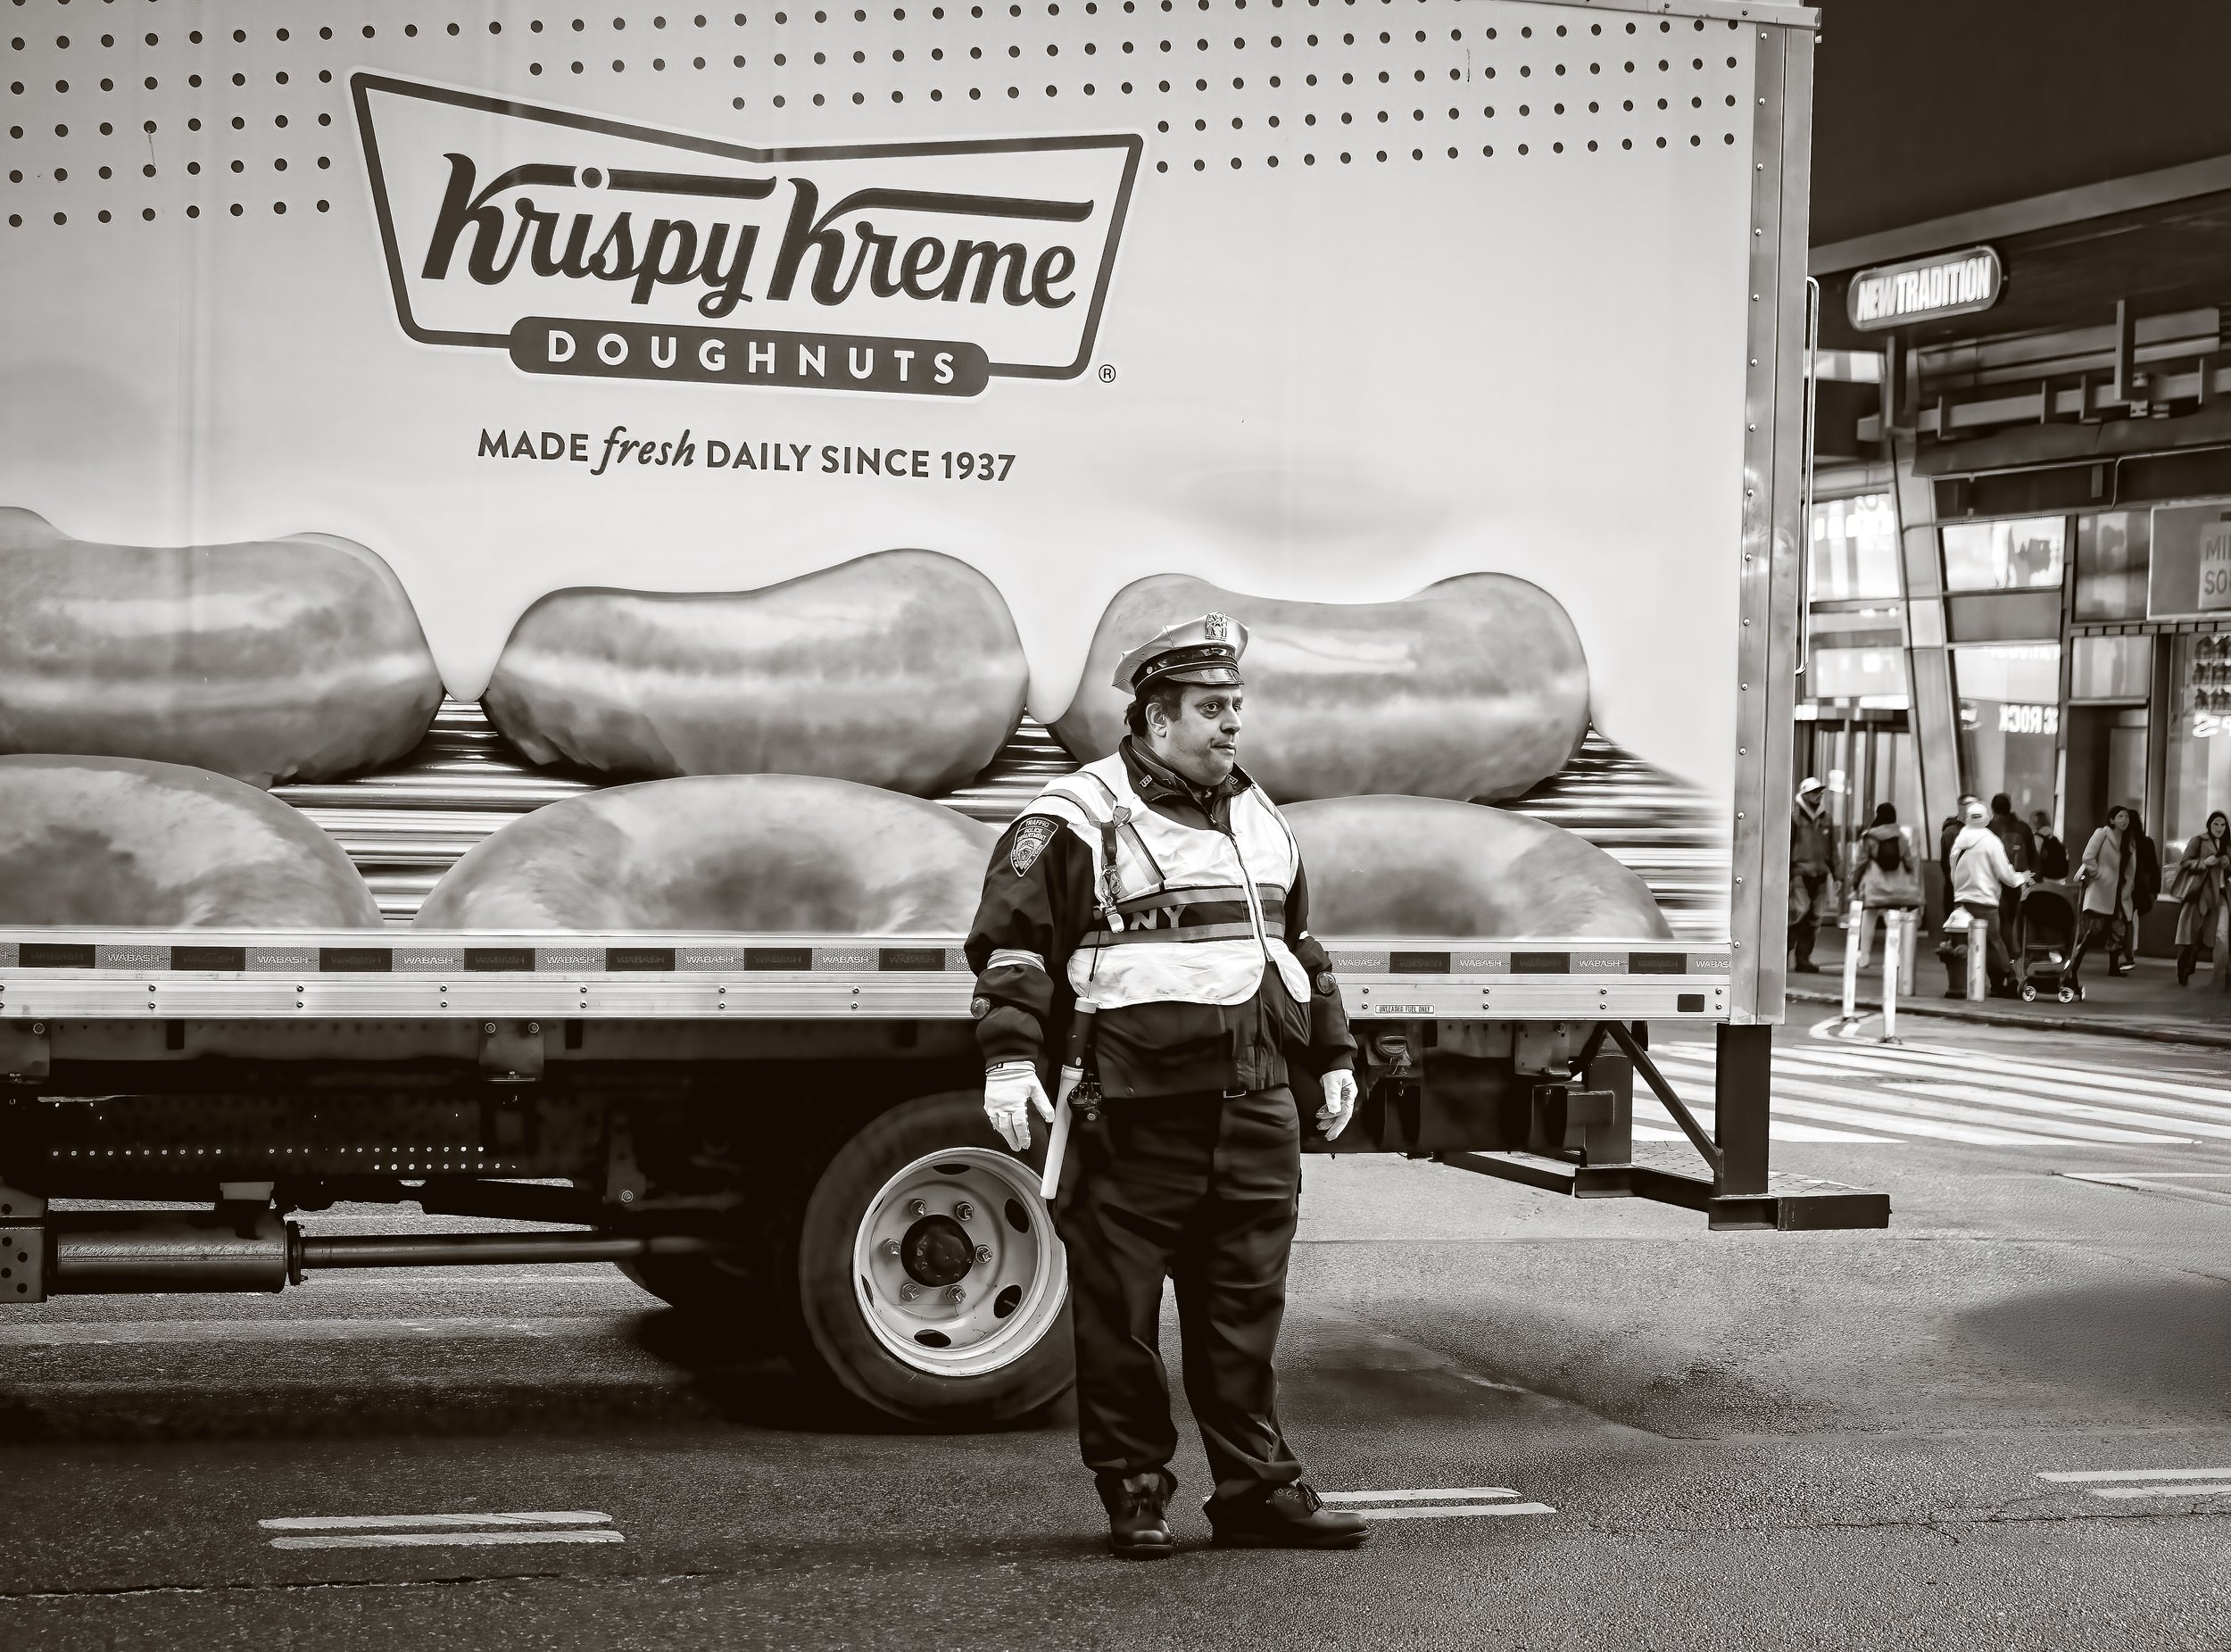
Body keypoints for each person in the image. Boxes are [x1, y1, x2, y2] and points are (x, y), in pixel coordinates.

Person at [963, 612, 1369, 1560]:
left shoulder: (1261, 816)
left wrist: (1335, 1057)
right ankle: (1136, 1491)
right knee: (1121, 1324)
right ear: (1153, 719)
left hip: (1255, 1106)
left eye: (1237, 706)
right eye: (1211, 708)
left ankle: (1257, 1494)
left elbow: (1297, 950)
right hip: (1131, 1112)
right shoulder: (1071, 817)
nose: (1233, 725)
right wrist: (1009, 1057)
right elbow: (1014, 951)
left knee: (1243, 1322)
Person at [1948, 799, 2029, 996]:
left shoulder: (1959, 841)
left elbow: (1953, 871)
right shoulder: (1991, 841)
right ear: (1987, 818)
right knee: (1994, 940)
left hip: (1962, 901)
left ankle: (1968, 984)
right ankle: (2008, 979)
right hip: (1986, 900)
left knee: (1966, 943)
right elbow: (2005, 873)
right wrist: (2021, 878)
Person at [1853, 803, 1923, 992]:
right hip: (1896, 887)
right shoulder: (1901, 837)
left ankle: (1864, 956)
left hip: (1875, 886)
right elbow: (1909, 862)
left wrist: (1854, 882)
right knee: (1892, 919)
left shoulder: (1868, 837)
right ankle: (1894, 958)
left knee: (1868, 918)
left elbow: (1860, 863)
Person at [2068, 804, 2138, 986]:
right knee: (2092, 932)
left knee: (2118, 929)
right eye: (2120, 817)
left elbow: (2129, 867)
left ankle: (2113, 967)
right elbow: (2088, 856)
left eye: (2127, 817)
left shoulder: (2128, 840)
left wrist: (2128, 885)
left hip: (2119, 892)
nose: (2124, 820)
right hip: (2101, 890)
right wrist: (2098, 874)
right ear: (2112, 819)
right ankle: (2073, 970)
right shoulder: (2103, 833)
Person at [2171, 810, 2230, 986]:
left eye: (2222, 825)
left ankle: (2218, 975)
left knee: (2218, 935)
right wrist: (2204, 863)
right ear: (2209, 825)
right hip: (2199, 894)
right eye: (2215, 824)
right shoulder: (2198, 841)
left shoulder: (2228, 844)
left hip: (2221, 895)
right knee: (2189, 935)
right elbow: (2184, 863)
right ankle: (2183, 971)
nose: (2219, 828)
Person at [1789, 777, 1840, 974]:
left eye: (1820, 792)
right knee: (1799, 911)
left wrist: (1839, 876)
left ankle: (1803, 959)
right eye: (1814, 792)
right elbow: (1786, 848)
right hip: (1799, 872)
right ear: (1804, 795)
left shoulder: (1825, 818)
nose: (1818, 795)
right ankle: (1784, 951)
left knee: (1815, 917)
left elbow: (1833, 850)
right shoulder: (1795, 818)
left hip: (1820, 874)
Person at [1986, 793, 2036, 950]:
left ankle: (2001, 954)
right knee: (2012, 918)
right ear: (2010, 807)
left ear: (1993, 809)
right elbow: (2033, 855)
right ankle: (2012, 952)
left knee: (1998, 918)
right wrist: (2032, 877)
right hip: (2017, 879)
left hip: (1993, 879)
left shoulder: (1988, 829)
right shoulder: (2023, 828)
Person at [2030, 809, 2069, 882]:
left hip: (2043, 879)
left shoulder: (2037, 838)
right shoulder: (2057, 838)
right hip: (2059, 879)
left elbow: (2035, 859)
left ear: (2037, 823)